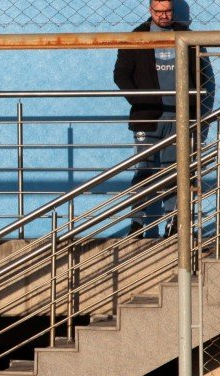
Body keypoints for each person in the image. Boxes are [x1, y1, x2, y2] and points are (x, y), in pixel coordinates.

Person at [113, 0, 199, 238]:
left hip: (180, 118)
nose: (164, 16)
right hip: (148, 117)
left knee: (175, 171)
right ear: (150, 11)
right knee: (145, 170)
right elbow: (120, 75)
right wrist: (140, 101)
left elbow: (201, 74)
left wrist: (196, 109)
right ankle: (138, 224)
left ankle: (174, 225)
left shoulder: (186, 36)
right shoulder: (137, 37)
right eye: (159, 11)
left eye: (168, 11)